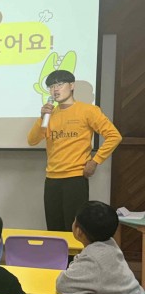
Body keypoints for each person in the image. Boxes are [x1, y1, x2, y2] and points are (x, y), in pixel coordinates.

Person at [27, 69, 122, 231]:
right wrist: (42, 117)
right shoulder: (50, 114)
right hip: (52, 178)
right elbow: (32, 140)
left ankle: (75, 251)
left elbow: (114, 136)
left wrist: (95, 161)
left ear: (72, 86)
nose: (55, 89)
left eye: (59, 84)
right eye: (51, 86)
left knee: (74, 229)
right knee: (54, 228)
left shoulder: (88, 110)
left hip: (75, 178)